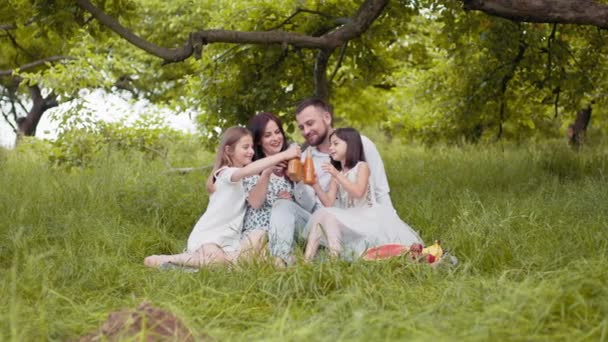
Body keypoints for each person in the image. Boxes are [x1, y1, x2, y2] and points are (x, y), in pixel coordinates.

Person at [144, 126, 300, 268]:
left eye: (252, 147)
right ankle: (167, 259)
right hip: (211, 235)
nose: (251, 151)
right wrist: (284, 154)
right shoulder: (225, 173)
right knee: (218, 261)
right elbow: (248, 171)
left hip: (230, 241)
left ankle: (185, 268)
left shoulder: (243, 179)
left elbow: (255, 200)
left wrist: (267, 172)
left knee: (247, 248)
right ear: (229, 150)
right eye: (245, 147)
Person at [269, 97, 398, 265]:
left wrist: (392, 227)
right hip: (319, 225)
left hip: (358, 224)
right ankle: (281, 261)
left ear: (327, 118)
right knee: (282, 205)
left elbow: (381, 190)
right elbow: (308, 206)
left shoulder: (360, 143)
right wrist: (300, 181)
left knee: (363, 253)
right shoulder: (305, 157)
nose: (306, 131)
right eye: (301, 127)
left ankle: (328, 257)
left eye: (310, 123)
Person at [303, 128, 423, 260]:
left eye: (336, 144)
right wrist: (316, 185)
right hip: (351, 217)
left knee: (327, 215)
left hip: (368, 217)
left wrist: (336, 175)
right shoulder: (337, 174)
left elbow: (358, 192)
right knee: (324, 214)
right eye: (330, 144)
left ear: (350, 145)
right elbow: (329, 203)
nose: (331, 148)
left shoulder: (362, 167)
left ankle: (334, 257)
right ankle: (308, 259)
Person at [241, 113, 295, 260]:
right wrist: (267, 172)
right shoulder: (252, 168)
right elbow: (255, 203)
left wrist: (289, 201)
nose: (276, 138)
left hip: (285, 232)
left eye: (278, 132)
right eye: (268, 135)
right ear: (258, 141)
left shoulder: (292, 165)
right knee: (247, 259)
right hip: (258, 231)